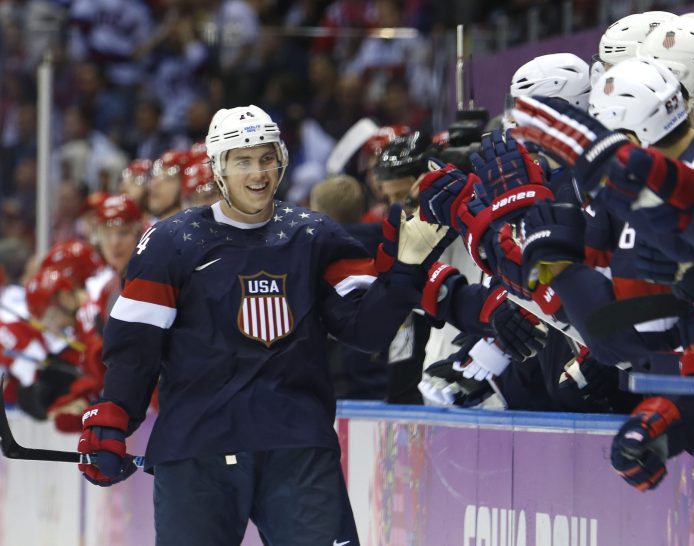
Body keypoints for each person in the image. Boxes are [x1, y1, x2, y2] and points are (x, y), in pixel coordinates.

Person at [76, 104, 452, 545]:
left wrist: (406, 269)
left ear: (281, 161)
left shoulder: (315, 235)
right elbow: (135, 349)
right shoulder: (169, 242)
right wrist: (113, 419)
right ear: (219, 169)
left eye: (266, 158)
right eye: (243, 161)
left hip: (296, 446)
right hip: (199, 448)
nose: (258, 172)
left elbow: (364, 331)